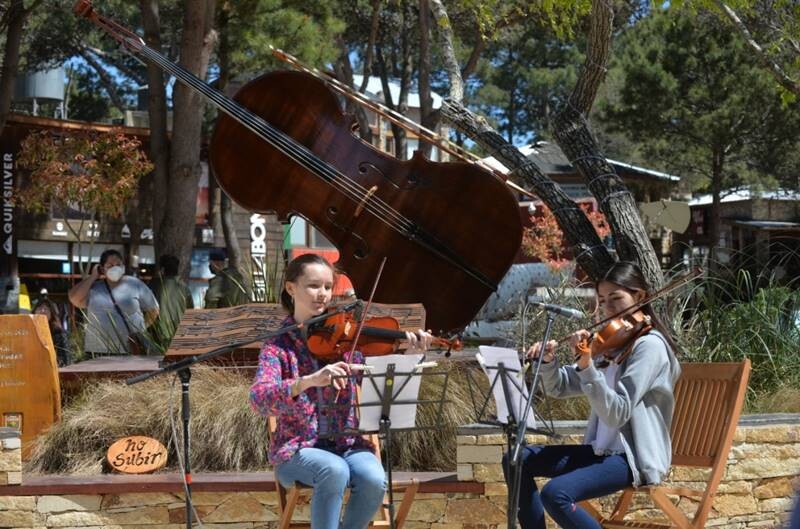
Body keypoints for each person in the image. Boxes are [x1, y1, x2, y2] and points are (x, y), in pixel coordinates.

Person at [249, 253, 433, 529]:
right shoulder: (278, 346)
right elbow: (259, 399)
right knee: (333, 471)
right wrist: (307, 381)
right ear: (291, 288)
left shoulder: (346, 339)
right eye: (313, 286)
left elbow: (381, 379)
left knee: (373, 479)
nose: (322, 294)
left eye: (327, 287)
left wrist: (410, 353)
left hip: (349, 445)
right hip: (298, 450)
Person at [503, 261, 681, 529]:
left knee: (556, 493)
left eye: (615, 299)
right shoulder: (612, 347)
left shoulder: (649, 347)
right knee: (516, 459)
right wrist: (550, 363)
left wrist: (587, 366)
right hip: (600, 452)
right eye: (602, 301)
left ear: (640, 297)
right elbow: (559, 387)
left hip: (632, 458)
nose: (607, 309)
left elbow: (618, 410)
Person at [68, 249, 159, 356]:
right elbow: (74, 298)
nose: (115, 268)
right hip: (99, 350)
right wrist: (93, 277)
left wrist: (141, 329)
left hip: (130, 348)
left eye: (118, 264)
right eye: (110, 265)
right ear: (102, 269)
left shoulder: (134, 284)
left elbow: (154, 309)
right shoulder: (93, 288)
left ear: (123, 267)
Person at [149, 254, 194, 348]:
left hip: (158, 333)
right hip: (179, 333)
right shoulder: (184, 288)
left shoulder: (154, 285)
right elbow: (191, 311)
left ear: (162, 269)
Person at [32, 296, 71, 366]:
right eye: (40, 308)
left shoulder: (59, 333)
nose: (42, 311)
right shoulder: (28, 332)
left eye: (46, 308)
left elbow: (65, 360)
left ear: (51, 313)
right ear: (34, 311)